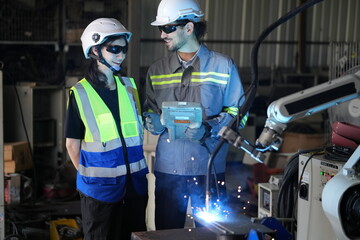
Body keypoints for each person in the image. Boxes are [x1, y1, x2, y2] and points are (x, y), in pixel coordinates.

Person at [143, 0, 247, 230]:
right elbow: (149, 110)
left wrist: (209, 130)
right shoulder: (156, 70)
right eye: (161, 29)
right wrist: (153, 124)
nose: (162, 34)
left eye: (168, 28)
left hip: (208, 167)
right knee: (167, 234)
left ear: (189, 28)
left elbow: (239, 114)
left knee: (212, 233)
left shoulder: (223, 66)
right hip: (168, 169)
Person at [65, 18, 148, 240]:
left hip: (135, 188)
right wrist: (91, 177)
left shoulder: (130, 87)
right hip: (100, 192)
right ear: (95, 50)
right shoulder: (80, 93)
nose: (121, 55)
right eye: (114, 49)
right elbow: (72, 144)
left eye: (124, 49)